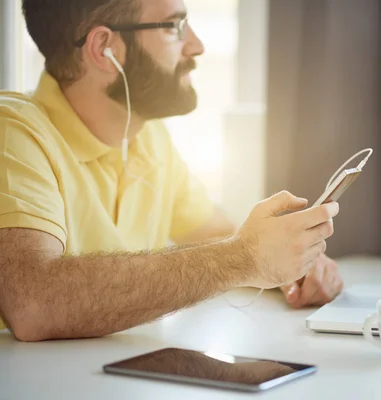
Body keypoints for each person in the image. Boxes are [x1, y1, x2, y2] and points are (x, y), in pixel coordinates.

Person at [0, 0, 344, 342]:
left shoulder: (147, 137)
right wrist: (243, 258)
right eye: (174, 27)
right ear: (104, 48)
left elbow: (217, 235)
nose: (196, 45)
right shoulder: (13, 133)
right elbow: (34, 305)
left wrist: (286, 264)